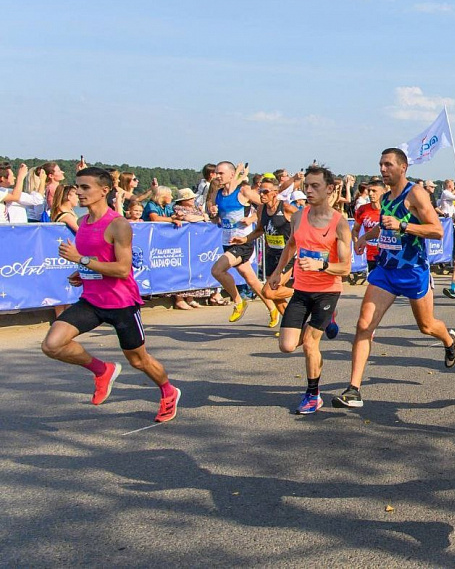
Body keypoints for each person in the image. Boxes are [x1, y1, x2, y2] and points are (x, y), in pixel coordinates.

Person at [40, 167, 180, 422]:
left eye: (85, 187)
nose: (79, 192)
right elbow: (97, 259)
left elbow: (123, 269)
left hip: (121, 303)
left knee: (139, 361)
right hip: (92, 300)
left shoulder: (118, 224)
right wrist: (82, 271)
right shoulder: (83, 222)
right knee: (52, 345)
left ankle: (168, 391)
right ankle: (102, 370)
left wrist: (81, 260)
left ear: (104, 190)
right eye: (77, 187)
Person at [333, 148, 455, 409]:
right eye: (381, 164)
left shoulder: (416, 193)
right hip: (386, 271)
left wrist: (403, 226)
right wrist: (365, 237)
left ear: (403, 167)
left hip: (413, 271)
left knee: (426, 326)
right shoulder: (386, 197)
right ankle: (353, 389)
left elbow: (437, 230)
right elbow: (384, 224)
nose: (383, 169)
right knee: (364, 325)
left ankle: (448, 340)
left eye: (388, 164)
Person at [268, 165, 353, 414]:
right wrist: (277, 272)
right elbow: (291, 245)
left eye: (315, 186)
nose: (309, 190)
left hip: (327, 290)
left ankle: (313, 394)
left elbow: (346, 268)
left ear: (330, 189)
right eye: (306, 186)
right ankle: (328, 321)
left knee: (309, 343)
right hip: (301, 289)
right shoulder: (298, 216)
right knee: (286, 345)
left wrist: (322, 265)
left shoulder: (339, 224)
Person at [207, 161, 278, 324]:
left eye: (221, 173)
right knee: (251, 279)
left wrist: (252, 218)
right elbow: (215, 220)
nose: (217, 176)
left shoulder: (243, 191)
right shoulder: (217, 194)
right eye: (216, 173)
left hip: (243, 242)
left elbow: (268, 204)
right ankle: (272, 308)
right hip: (227, 241)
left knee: (217, 270)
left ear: (232, 175)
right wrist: (213, 214)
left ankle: (239, 302)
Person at [230, 177, 298, 327]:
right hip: (271, 254)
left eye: (265, 192)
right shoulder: (261, 209)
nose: (261, 194)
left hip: (286, 255)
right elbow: (260, 230)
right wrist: (244, 239)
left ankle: (303, 292)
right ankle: (292, 326)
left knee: (269, 292)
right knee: (276, 296)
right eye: (260, 191)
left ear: (275, 193)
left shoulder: (287, 208)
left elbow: (305, 223)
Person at [352, 179, 385, 272]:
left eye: (374, 191)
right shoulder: (362, 209)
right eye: (369, 190)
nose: (370, 194)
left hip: (386, 254)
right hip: (371, 255)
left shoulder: (389, 210)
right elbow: (355, 229)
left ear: (383, 192)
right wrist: (356, 243)